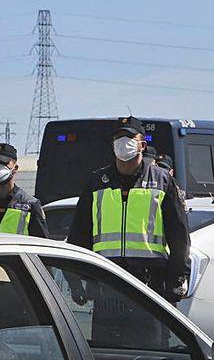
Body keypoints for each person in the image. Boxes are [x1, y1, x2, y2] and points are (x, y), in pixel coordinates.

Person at [67, 116, 189, 302]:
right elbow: (78, 234)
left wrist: (177, 279)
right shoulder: (96, 182)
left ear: (142, 145)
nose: (124, 143)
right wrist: (76, 282)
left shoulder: (162, 181)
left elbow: (179, 237)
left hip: (150, 285)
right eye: (119, 138)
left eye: (130, 138)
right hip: (106, 283)